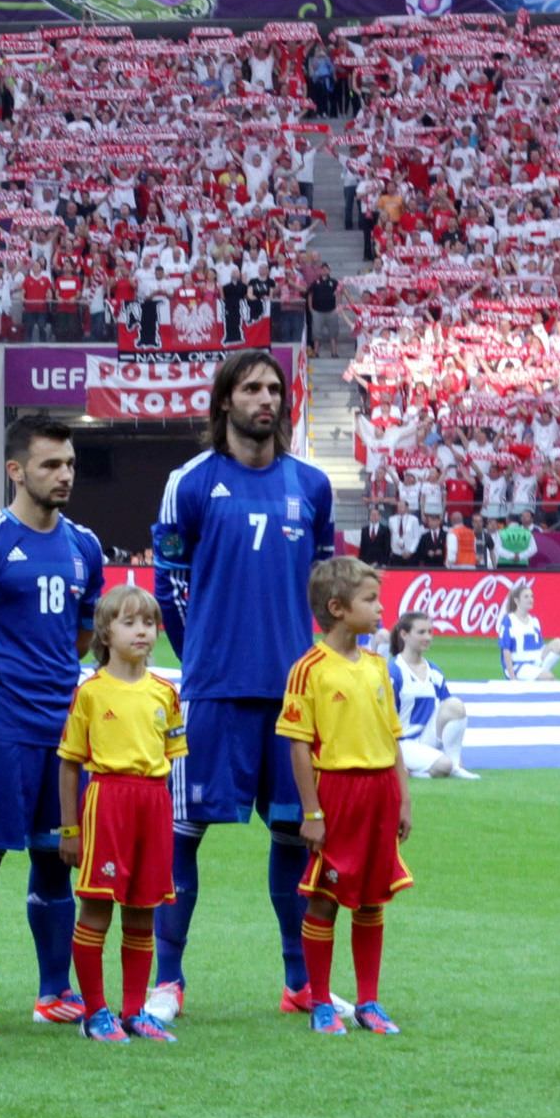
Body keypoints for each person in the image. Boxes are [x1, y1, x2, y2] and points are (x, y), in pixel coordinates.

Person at [147, 349, 335, 1025]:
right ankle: (168, 980)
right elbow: (169, 587)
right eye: (252, 387)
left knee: (295, 837)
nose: (266, 399)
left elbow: (326, 587)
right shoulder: (190, 483)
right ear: (225, 399)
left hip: (292, 700)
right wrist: (203, 654)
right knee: (182, 834)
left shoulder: (311, 485)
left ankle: (300, 982)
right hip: (214, 693)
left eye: (275, 388)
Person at [0, 414, 107, 1033]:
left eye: (70, 465)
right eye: (50, 465)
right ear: (15, 470)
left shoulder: (85, 546)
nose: (64, 475)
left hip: (63, 730)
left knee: (55, 858)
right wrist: (4, 673)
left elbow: (84, 635)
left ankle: (53, 990)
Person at [277, 558, 411, 1036]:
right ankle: (319, 1001)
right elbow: (298, 745)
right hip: (337, 793)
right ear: (337, 608)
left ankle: (369, 1001)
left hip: (380, 793)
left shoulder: (377, 667)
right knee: (326, 897)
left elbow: (392, 737)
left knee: (372, 899)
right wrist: (311, 811)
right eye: (370, 600)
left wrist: (404, 798)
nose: (380, 609)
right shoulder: (309, 669)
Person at [57, 584, 184, 1046]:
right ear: (105, 633)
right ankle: (95, 1013)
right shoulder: (91, 692)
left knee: (142, 909)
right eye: (129, 623)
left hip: (153, 804)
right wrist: (70, 829)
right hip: (107, 801)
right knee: (96, 907)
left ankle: (134, 1012)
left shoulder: (165, 693)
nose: (142, 631)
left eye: (148, 623)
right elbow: (69, 763)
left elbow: (172, 756)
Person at [389, 614, 474, 778]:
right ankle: (415, 770)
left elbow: (445, 710)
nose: (427, 637)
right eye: (421, 632)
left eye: (430, 632)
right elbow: (385, 718)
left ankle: (455, 765)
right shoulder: (394, 671)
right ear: (404, 635)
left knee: (455, 705)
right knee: (444, 766)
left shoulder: (434, 672)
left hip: (426, 738)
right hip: (403, 742)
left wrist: (456, 754)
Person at [498, 580, 560, 681]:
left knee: (559, 643)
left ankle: (541, 672)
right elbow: (506, 650)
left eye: (532, 596)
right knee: (549, 678)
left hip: (535, 660)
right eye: (526, 597)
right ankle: (543, 676)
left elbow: (539, 646)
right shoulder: (509, 620)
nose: (530, 599)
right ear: (517, 601)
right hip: (519, 665)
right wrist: (512, 678)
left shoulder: (534, 621)